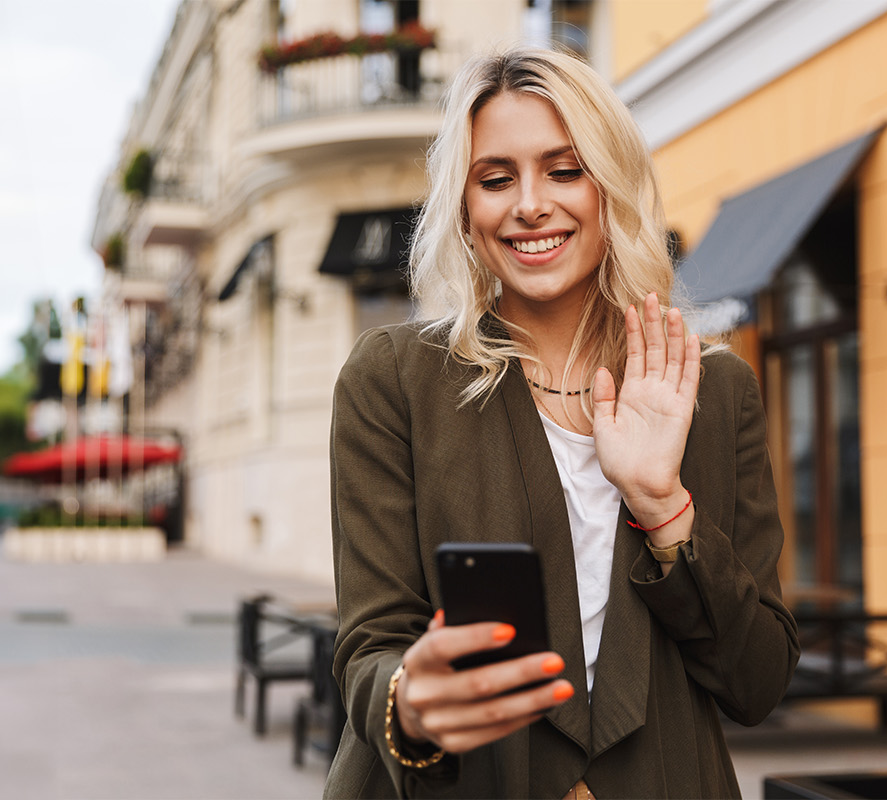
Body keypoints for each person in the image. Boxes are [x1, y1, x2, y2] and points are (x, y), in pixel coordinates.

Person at [328, 47, 798, 799]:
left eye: (564, 169)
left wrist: (663, 510)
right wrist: (409, 701)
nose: (529, 204)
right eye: (496, 178)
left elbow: (759, 681)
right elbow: (370, 646)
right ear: (464, 207)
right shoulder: (394, 379)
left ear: (610, 184)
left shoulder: (713, 390)